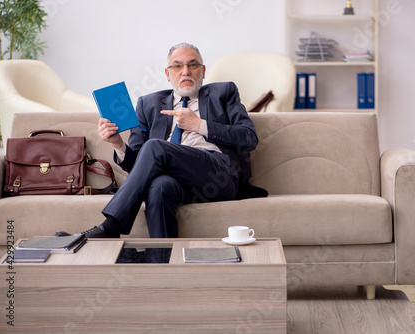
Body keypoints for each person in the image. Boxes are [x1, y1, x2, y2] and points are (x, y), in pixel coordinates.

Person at [57, 42, 266, 239]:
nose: (185, 71)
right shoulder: (148, 104)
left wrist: (199, 125)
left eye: (192, 65)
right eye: (177, 66)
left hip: (217, 176)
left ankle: (111, 226)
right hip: (176, 182)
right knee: (159, 186)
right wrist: (117, 144)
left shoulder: (224, 92)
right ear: (168, 74)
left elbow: (249, 138)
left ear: (202, 71)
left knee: (155, 147)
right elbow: (138, 165)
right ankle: (163, 263)